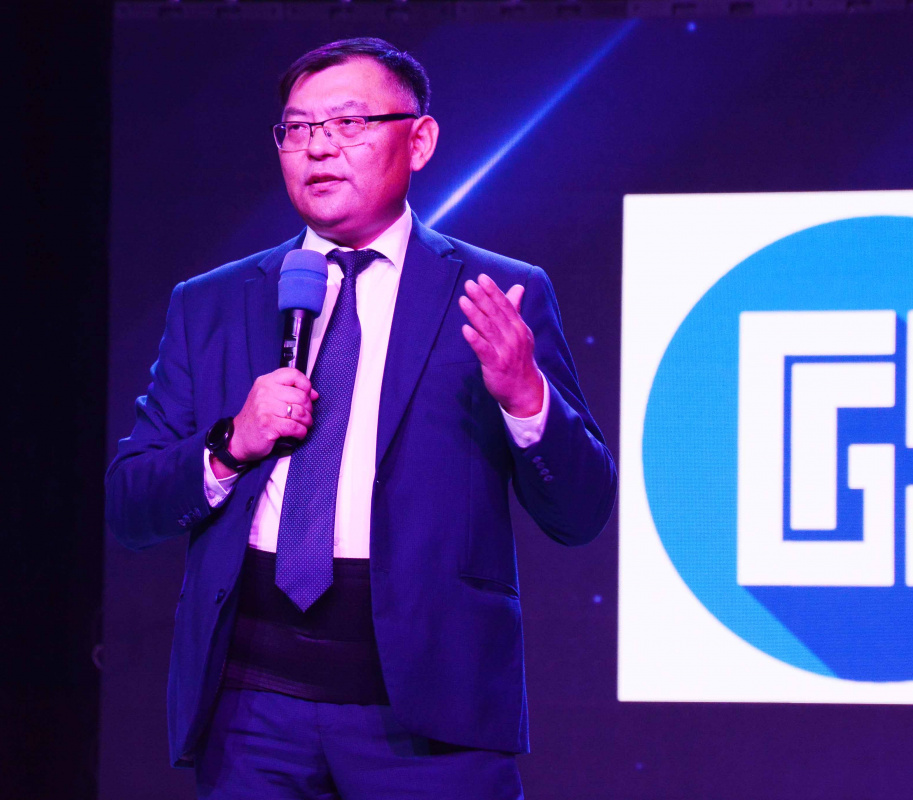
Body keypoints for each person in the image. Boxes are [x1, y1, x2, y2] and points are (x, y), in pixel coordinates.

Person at [105, 37, 616, 800]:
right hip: (250, 713)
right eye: (297, 129)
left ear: (419, 140)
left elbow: (580, 512)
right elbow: (129, 503)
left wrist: (524, 398)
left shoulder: (496, 293)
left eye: (347, 124)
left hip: (432, 717)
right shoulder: (211, 302)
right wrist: (230, 444)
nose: (318, 149)